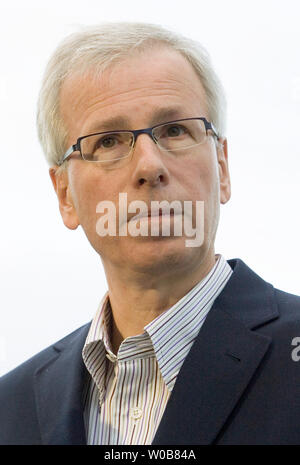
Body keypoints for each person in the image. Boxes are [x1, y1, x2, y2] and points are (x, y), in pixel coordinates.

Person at [0, 22, 299, 446]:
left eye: (175, 130)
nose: (148, 166)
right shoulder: (10, 411)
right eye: (108, 142)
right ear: (64, 194)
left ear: (223, 167)